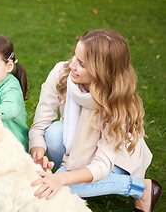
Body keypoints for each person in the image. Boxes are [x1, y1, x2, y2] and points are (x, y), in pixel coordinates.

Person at [29, 29, 162, 212]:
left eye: (82, 64)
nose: (72, 66)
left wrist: (61, 179)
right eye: (75, 57)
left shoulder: (117, 102)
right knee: (53, 133)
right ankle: (69, 174)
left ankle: (141, 187)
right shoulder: (63, 73)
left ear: (103, 72)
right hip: (78, 148)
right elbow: (41, 121)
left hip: (115, 162)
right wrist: (37, 151)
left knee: (63, 187)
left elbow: (101, 165)